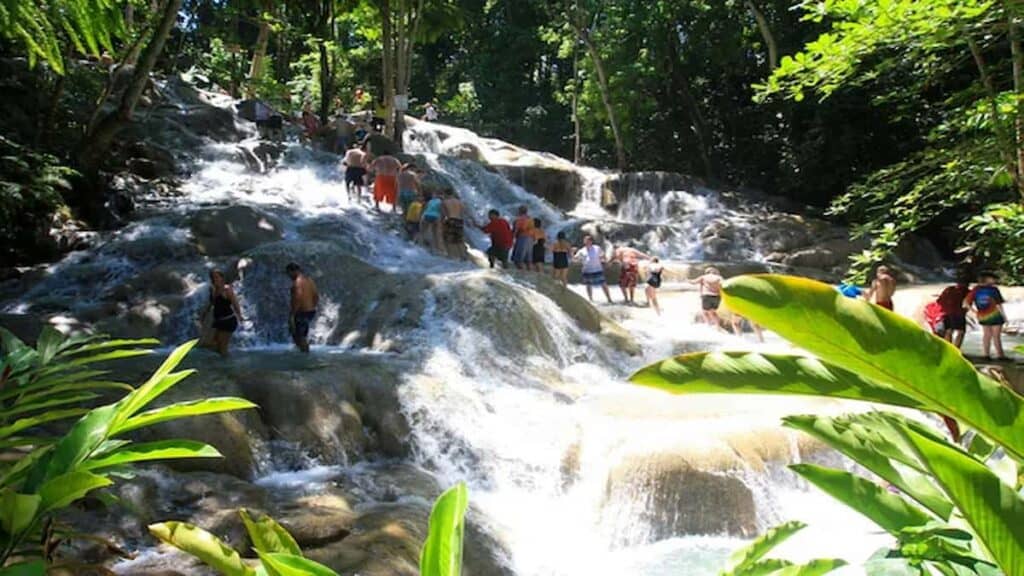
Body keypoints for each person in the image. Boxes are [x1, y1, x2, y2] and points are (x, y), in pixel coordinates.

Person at [965, 272, 1008, 360]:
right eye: (993, 278)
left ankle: (986, 354)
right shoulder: (994, 290)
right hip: (995, 315)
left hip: (982, 315)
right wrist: (1005, 317)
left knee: (986, 335)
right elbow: (999, 304)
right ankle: (1000, 355)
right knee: (996, 336)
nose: (995, 280)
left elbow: (965, 303)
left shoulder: (975, 289)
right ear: (987, 279)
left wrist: (975, 312)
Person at [200, 270, 243, 357]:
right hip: (218, 321)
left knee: (222, 348)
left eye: (217, 277)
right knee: (208, 344)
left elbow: (235, 303)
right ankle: (226, 358)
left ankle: (227, 366)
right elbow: (211, 303)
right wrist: (203, 315)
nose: (215, 279)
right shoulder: (212, 289)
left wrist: (240, 316)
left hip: (228, 320)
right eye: (213, 277)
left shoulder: (227, 290)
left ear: (222, 278)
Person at [286, 263, 319, 353]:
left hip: (301, 312)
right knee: (300, 334)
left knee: (300, 336)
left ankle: (305, 354)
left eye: (288, 273)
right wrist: (312, 306)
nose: (288, 276)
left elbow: (297, 299)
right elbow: (316, 295)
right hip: (311, 311)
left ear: (293, 271)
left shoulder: (296, 284)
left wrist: (292, 315)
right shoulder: (309, 280)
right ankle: (302, 351)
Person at [935, 276, 971, 348]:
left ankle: (949, 349)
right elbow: (967, 303)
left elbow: (939, 301)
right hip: (959, 314)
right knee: (961, 332)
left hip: (947, 313)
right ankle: (957, 349)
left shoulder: (949, 289)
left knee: (949, 330)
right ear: (967, 284)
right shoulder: (967, 292)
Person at [578, 235, 612, 303]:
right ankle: (591, 299)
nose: (586, 242)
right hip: (587, 270)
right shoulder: (581, 250)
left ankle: (609, 299)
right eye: (585, 240)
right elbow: (576, 258)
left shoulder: (597, 248)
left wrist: (606, 262)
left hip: (597, 269)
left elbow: (602, 255)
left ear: (591, 241)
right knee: (588, 285)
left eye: (588, 240)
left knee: (603, 284)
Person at [441, 189, 467, 259]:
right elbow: (463, 212)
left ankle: (450, 256)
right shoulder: (460, 202)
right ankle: (463, 256)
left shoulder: (445, 202)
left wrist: (443, 223)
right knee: (459, 239)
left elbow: (444, 214)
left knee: (447, 239)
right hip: (459, 221)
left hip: (450, 219)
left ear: (445, 194)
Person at [511, 206, 534, 270]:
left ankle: (520, 276)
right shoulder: (530, 219)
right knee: (528, 261)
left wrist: (512, 239)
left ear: (520, 211)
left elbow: (516, 230)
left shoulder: (519, 219)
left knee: (518, 260)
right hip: (530, 239)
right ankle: (529, 275)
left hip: (522, 238)